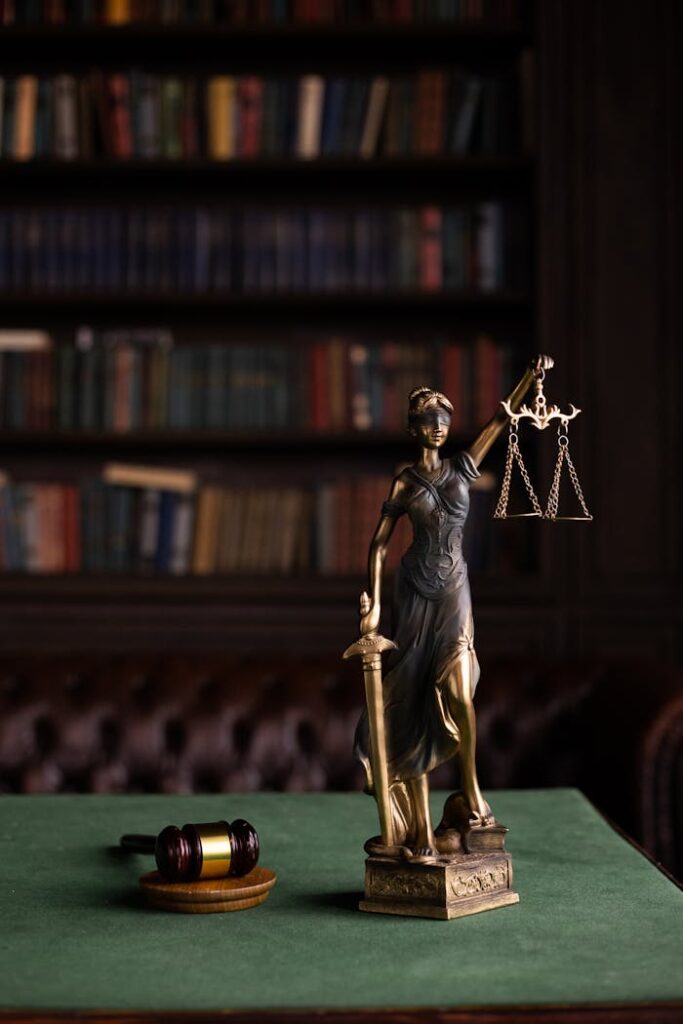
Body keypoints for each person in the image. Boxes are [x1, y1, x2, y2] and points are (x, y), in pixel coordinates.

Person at [354, 353, 554, 861]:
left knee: (460, 691)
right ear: (413, 428)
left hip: (454, 591)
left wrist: (532, 377)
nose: (438, 429)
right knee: (416, 696)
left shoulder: (464, 466)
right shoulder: (404, 482)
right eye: (428, 422)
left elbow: (502, 417)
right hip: (413, 592)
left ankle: (472, 789)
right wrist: (373, 600)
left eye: (444, 422)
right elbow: (379, 543)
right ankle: (417, 824)